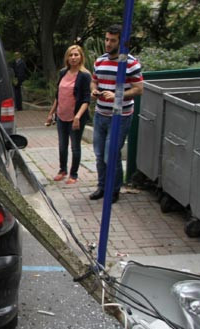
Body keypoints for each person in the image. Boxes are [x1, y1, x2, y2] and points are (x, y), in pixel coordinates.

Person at [90, 24, 143, 203]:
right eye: (106, 39)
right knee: (98, 154)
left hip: (120, 115)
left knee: (110, 154)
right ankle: (102, 186)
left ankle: (114, 189)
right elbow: (93, 81)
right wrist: (93, 91)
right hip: (100, 113)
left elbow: (138, 89)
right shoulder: (99, 61)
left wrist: (117, 95)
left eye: (112, 40)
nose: (108, 43)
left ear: (121, 42)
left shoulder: (130, 63)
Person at [46, 45, 91, 185]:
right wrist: (51, 113)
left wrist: (77, 117)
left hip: (76, 117)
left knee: (75, 146)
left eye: (76, 55)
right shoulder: (63, 73)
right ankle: (62, 170)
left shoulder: (84, 76)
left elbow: (86, 99)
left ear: (81, 57)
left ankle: (74, 174)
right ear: (67, 57)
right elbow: (58, 96)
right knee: (62, 145)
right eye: (71, 55)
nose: (73, 58)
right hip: (61, 115)